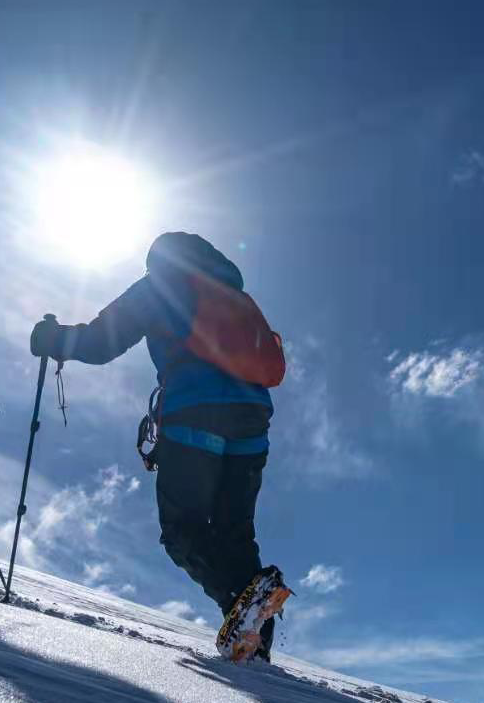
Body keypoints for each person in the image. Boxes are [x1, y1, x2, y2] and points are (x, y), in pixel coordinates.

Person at [29, 231, 289, 661]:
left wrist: (52, 338)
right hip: (251, 424)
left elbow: (101, 341)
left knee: (182, 532)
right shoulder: (236, 297)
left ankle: (241, 607)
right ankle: (254, 645)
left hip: (195, 414)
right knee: (235, 534)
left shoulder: (162, 284)